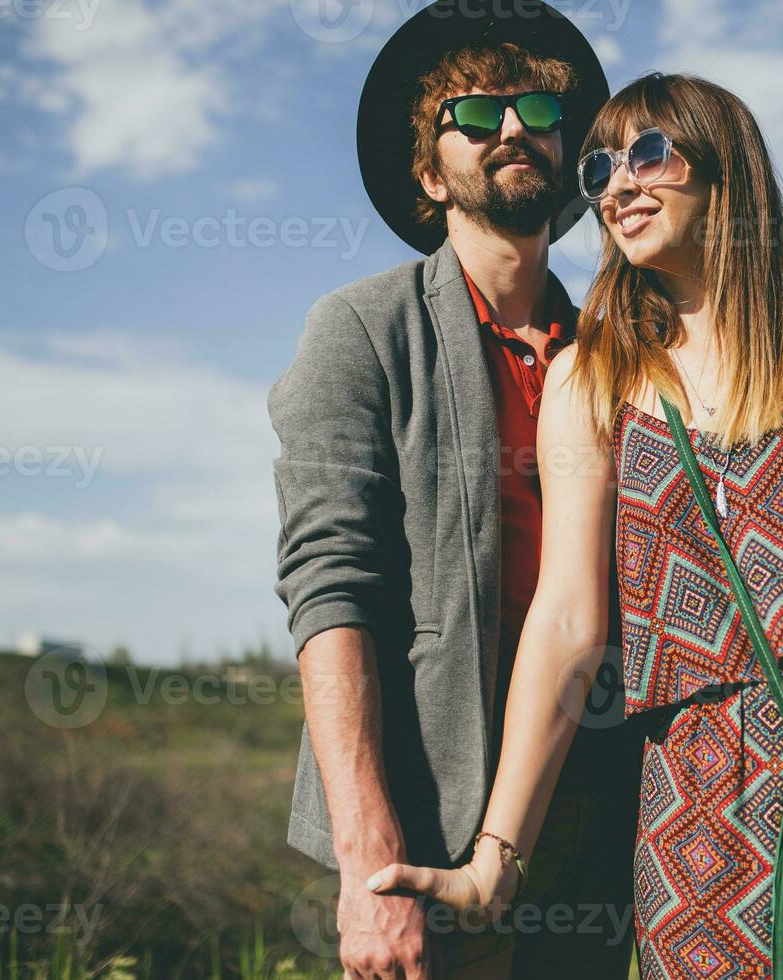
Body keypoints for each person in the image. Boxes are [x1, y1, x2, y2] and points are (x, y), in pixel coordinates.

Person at [366, 72, 783, 978]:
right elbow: (568, 624)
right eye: (599, 167)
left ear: (726, 171)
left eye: (649, 153)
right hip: (694, 836)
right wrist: (497, 857)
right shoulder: (592, 381)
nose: (616, 185)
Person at [267, 3, 640, 977]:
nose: (513, 128)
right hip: (428, 824)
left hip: (601, 818)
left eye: (536, 109)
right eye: (475, 114)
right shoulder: (361, 329)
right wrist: (368, 859)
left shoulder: (624, 355)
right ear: (431, 173)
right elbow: (330, 593)